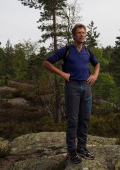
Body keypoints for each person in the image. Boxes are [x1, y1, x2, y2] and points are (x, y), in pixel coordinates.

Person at [43, 23, 100, 164]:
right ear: (74, 35)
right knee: (73, 120)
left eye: (83, 33)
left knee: (85, 119)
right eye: (79, 32)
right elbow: (47, 63)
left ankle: (82, 148)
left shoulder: (87, 51)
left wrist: (95, 75)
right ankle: (72, 151)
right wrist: (62, 73)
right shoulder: (67, 50)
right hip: (72, 87)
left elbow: (97, 64)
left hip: (86, 87)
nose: (82, 35)